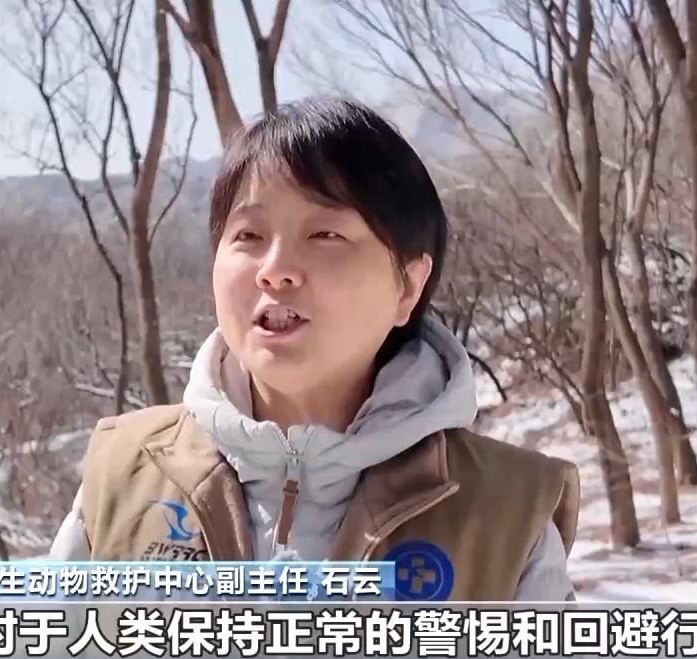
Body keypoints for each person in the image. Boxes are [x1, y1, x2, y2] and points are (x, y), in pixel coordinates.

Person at [48, 96, 580, 601]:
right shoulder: (123, 476)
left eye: (325, 235)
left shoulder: (508, 513)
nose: (274, 269)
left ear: (408, 286)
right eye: (248, 236)